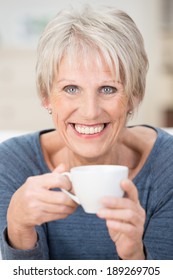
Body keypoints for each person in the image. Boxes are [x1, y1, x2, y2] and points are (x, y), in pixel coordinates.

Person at [0, 5, 173, 260]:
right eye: (71, 89)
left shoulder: (167, 167)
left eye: (108, 89)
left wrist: (136, 257)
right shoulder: (12, 163)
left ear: (134, 96)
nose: (90, 112)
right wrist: (18, 228)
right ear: (46, 96)